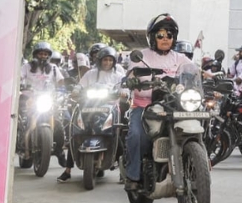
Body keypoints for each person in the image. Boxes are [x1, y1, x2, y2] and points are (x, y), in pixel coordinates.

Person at [123, 14, 197, 192]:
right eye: (161, 35)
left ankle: (196, 166)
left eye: (169, 35)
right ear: (152, 37)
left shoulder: (179, 58)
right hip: (145, 106)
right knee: (137, 135)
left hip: (173, 105)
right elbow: (131, 75)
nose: (165, 39)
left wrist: (213, 82)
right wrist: (132, 81)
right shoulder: (142, 56)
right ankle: (133, 175)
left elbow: (194, 70)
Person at [58, 47, 125, 182]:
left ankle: (123, 172)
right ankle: (67, 170)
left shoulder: (118, 76)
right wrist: (76, 91)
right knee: (75, 133)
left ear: (114, 62)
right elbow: (80, 86)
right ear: (99, 61)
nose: (107, 63)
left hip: (110, 107)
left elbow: (124, 88)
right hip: (88, 106)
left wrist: (124, 92)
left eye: (110, 60)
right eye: (105, 60)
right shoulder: (90, 74)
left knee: (117, 136)